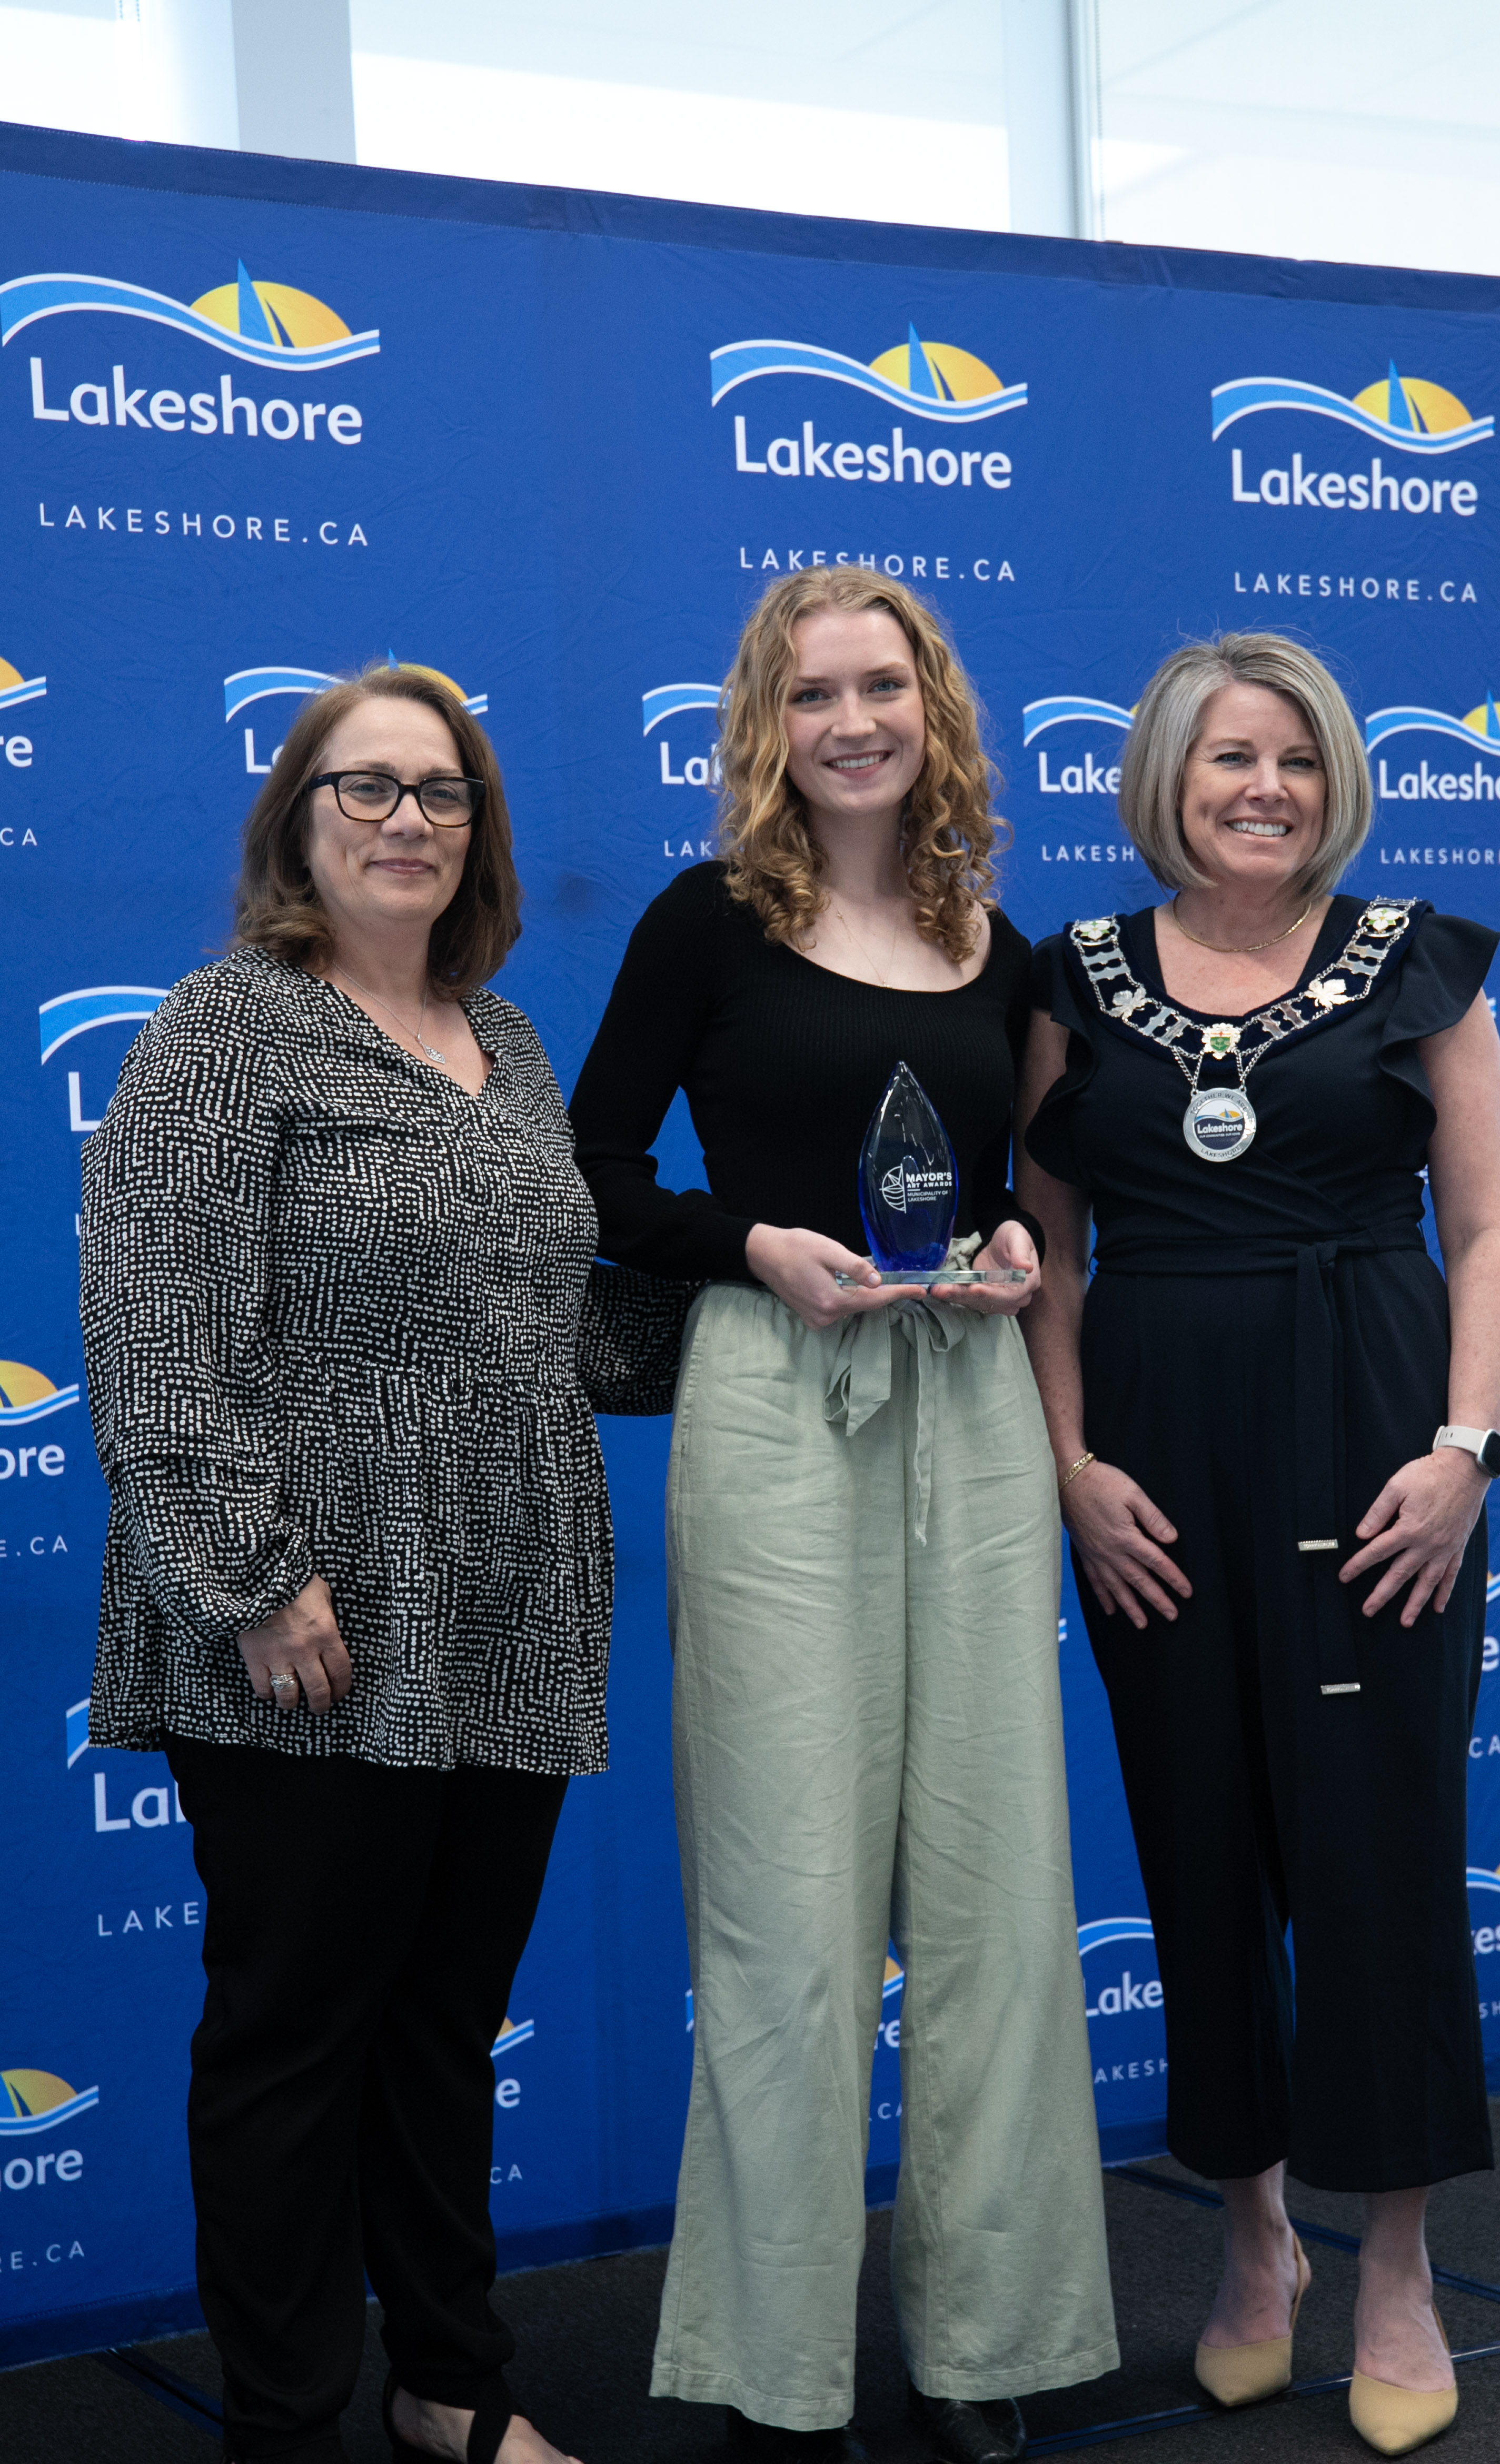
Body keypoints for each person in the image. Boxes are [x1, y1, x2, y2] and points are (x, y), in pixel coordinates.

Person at [80, 666, 684, 2464]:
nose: (408, 818)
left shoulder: (507, 1046)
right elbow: (148, 1325)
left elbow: (546, 1333)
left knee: (441, 2030)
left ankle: (450, 2385)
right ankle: (282, 2423)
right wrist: (255, 1579)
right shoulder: (223, 1026)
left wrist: (800, 1319)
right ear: (298, 819)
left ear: (478, 830)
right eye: (368, 788)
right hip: (308, 1620)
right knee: (293, 2044)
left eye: (442, 791)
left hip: (505, 1605)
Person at [570, 568, 1117, 2464]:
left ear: (935, 708)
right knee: (788, 1907)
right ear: (767, 726)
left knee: (990, 1895)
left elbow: (1041, 1201)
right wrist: (750, 1248)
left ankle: (982, 2347)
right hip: (774, 1403)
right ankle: (777, 2368)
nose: (855, 722)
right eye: (816, 696)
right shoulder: (705, 924)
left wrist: (1004, 1247)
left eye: (885, 686)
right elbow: (597, 1167)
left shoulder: (999, 941)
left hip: (967, 1407)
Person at [1016, 632, 1500, 2458]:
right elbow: (1046, 1257)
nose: (1265, 790)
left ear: (1337, 785)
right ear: (1168, 774)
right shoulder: (1068, 978)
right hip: (1155, 1466)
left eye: (1297, 762)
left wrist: (1465, 1451)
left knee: (1380, 1846)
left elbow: (1482, 1237)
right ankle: (1251, 2243)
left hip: (1379, 1437)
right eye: (1231, 757)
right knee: (1201, 1840)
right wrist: (1069, 1467)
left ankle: (1395, 2260)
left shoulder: (1421, 966)